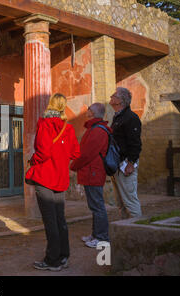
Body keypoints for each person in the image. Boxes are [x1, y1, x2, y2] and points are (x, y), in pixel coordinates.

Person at [26, 93, 80, 271]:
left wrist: (33, 160)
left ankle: (52, 260)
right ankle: (64, 256)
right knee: (60, 219)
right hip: (60, 178)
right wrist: (62, 154)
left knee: (50, 220)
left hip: (45, 177)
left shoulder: (45, 124)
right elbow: (75, 153)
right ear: (63, 107)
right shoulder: (69, 128)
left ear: (50, 105)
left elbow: (43, 152)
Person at [70, 103, 111, 248]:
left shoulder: (97, 131)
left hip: (93, 172)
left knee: (97, 206)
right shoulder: (94, 128)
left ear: (92, 112)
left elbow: (86, 154)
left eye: (88, 109)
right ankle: (96, 234)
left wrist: (73, 166)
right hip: (92, 171)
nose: (86, 111)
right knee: (95, 206)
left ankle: (102, 237)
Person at [109, 87, 142, 218]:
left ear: (120, 100)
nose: (111, 97)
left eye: (113, 96)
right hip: (117, 164)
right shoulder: (118, 117)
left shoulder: (130, 118)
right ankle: (125, 229)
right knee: (121, 202)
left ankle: (139, 230)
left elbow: (135, 143)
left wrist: (131, 163)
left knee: (130, 201)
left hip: (125, 164)